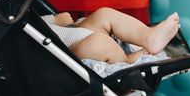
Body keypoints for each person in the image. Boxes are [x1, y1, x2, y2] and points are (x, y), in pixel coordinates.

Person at [42, 8, 180, 64]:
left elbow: (29, 17)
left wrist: (52, 20)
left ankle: (149, 37)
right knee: (100, 44)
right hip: (69, 52)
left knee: (104, 14)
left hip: (72, 31)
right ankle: (126, 60)